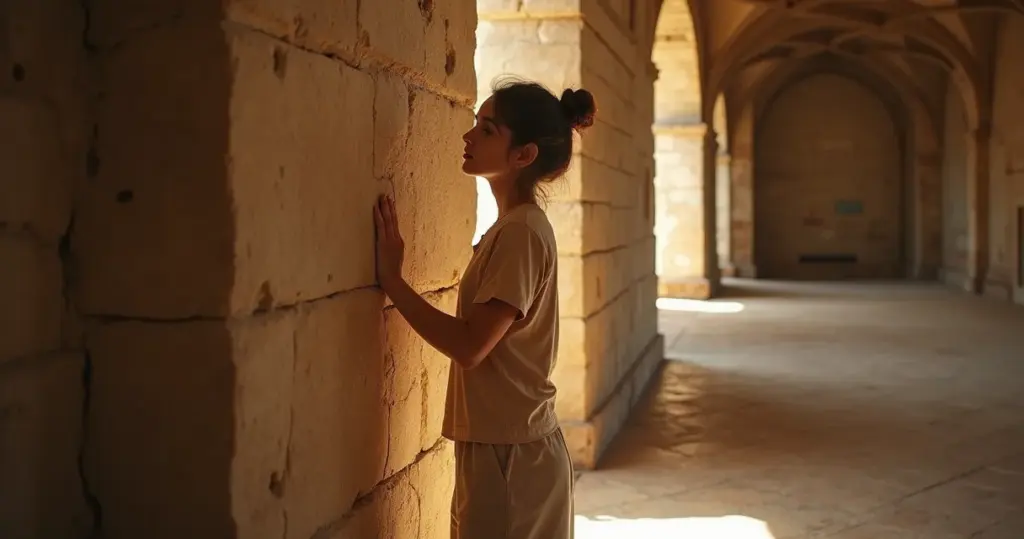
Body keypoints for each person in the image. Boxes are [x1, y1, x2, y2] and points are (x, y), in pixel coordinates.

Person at [372, 77, 597, 539]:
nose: (468, 136)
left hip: (511, 456)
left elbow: (473, 346)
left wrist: (394, 282)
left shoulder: (521, 233)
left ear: (524, 155)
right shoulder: (513, 227)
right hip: (503, 445)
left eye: (488, 130)